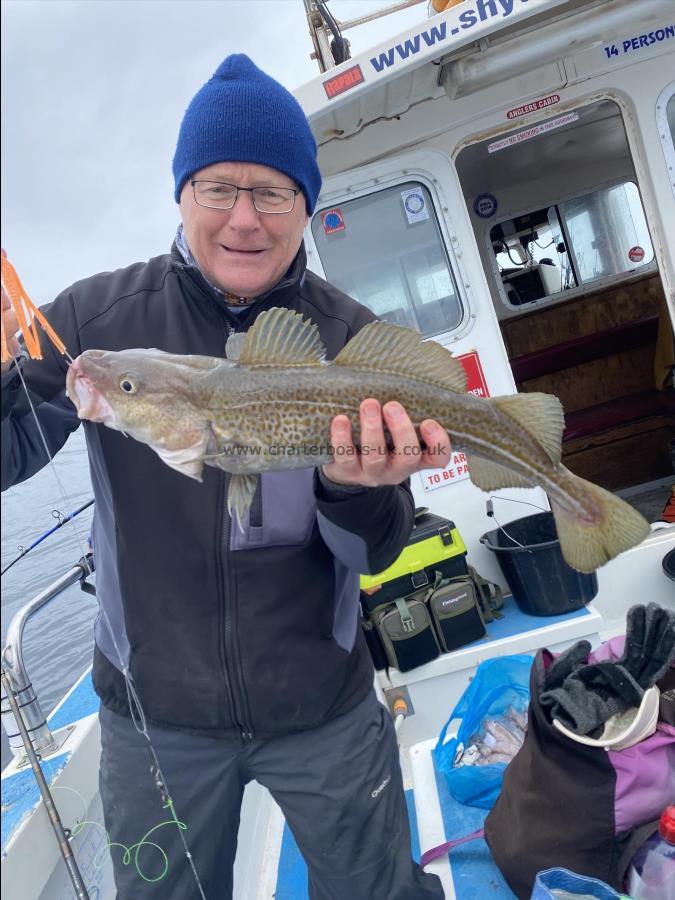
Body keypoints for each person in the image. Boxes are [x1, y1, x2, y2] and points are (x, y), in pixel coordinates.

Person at [1, 55, 449, 900]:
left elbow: (376, 552)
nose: (243, 218)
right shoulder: (97, 331)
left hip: (323, 706)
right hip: (153, 722)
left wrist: (354, 487)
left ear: (304, 205)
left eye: (271, 191)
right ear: (181, 195)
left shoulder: (350, 345)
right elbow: (10, 451)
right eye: (216, 188)